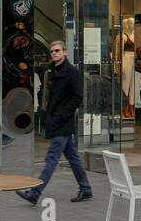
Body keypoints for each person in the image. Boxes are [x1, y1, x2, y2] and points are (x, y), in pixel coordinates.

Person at [18, 40, 94, 205]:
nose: (54, 53)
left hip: (63, 122)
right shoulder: (51, 71)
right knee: (73, 158)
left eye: (57, 50)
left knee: (51, 158)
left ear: (65, 52)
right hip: (57, 120)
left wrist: (61, 115)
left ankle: (34, 193)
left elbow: (77, 98)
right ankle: (86, 189)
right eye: (52, 51)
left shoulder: (72, 72)